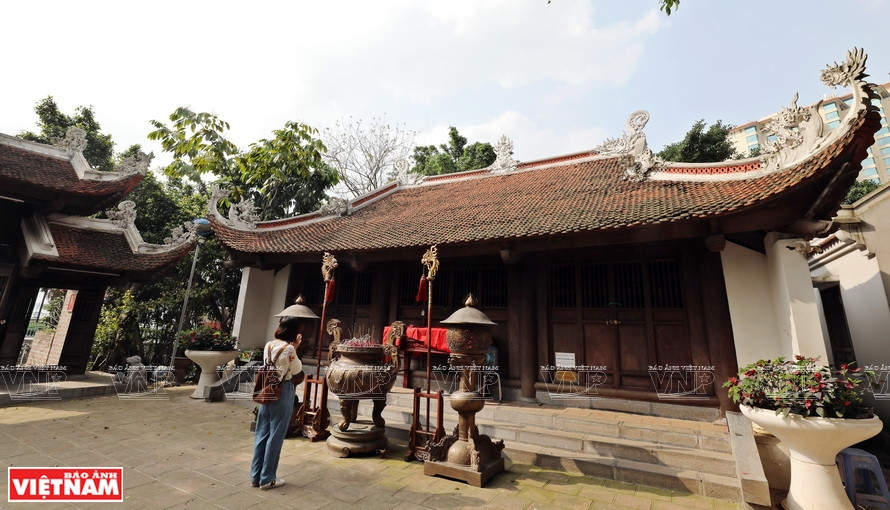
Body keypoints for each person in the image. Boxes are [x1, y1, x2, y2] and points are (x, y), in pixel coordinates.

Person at [250, 317, 304, 490]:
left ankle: (256, 476)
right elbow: (296, 370)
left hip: (267, 390)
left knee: (262, 432)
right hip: (283, 389)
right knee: (276, 435)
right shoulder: (288, 348)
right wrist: (295, 348)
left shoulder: (268, 345)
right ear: (294, 331)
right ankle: (267, 478)